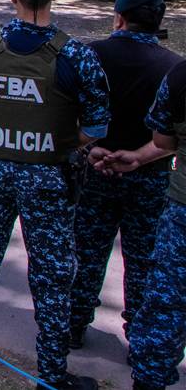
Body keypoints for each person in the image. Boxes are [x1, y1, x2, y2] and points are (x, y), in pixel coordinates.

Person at [0, 0, 110, 390]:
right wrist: (57, 143)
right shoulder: (77, 55)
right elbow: (97, 127)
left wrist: (5, 138)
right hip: (48, 176)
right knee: (52, 276)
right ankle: (52, 373)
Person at [70, 0, 182, 348]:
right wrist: (137, 158)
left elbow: (67, 113)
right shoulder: (173, 68)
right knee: (143, 259)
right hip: (149, 178)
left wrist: (92, 152)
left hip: (96, 170)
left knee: (86, 250)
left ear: (118, 17)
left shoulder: (91, 55)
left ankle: (74, 323)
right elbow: (172, 138)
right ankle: (138, 333)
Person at [126, 57, 186, 390]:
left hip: (183, 210)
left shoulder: (180, 75)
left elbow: (164, 141)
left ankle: (150, 380)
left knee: (167, 304)